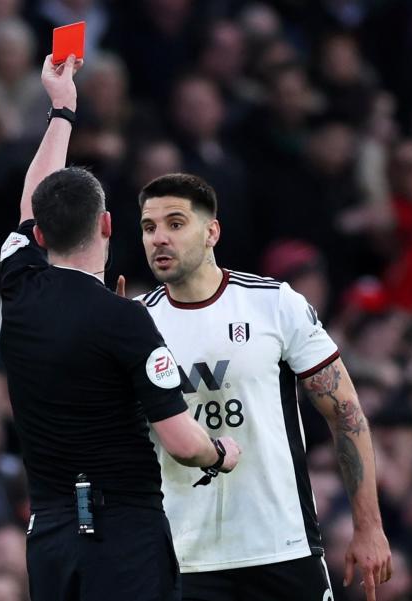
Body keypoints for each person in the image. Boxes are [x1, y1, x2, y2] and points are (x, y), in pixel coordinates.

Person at [0, 54, 241, 601]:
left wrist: (62, 110)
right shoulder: (126, 320)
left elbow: (29, 199)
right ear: (108, 225)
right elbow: (181, 442)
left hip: (52, 535)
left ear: (39, 234)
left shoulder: (19, 288)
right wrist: (221, 452)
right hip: (123, 535)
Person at [128, 173, 391, 601]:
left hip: (281, 546)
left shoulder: (274, 304)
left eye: (175, 224)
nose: (159, 238)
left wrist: (369, 525)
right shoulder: (133, 323)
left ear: (212, 231)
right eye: (148, 227)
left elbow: (346, 415)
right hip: (182, 556)